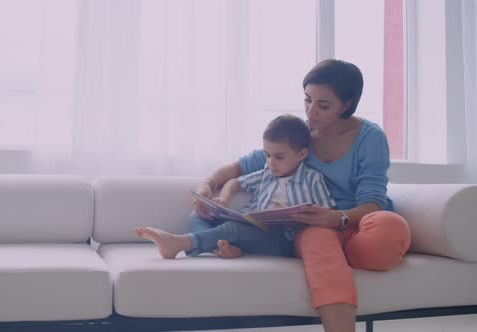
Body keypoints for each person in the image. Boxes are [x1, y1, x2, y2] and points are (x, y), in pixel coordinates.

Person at [192, 59, 412, 332]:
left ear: (347, 104)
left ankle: (345, 252)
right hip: (315, 229)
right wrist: (207, 184)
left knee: (389, 226)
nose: (311, 111)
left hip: (355, 223)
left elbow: (373, 202)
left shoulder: (370, 137)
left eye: (323, 105)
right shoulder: (299, 135)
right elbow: (240, 167)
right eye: (307, 100)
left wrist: (337, 217)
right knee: (318, 239)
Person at [135, 114, 336, 259]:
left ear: (301, 154)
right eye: (267, 155)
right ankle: (224, 249)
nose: (271, 162)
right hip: (250, 229)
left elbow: (329, 214)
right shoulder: (267, 174)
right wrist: (224, 198)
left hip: (281, 242)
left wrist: (308, 220)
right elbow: (235, 181)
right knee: (197, 215)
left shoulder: (313, 180)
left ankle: (179, 243)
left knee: (233, 229)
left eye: (279, 157)